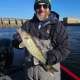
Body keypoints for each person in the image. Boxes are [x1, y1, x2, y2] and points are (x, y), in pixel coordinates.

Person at [13, 0, 70, 80]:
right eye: (38, 6)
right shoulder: (27, 25)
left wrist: (53, 56)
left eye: (45, 6)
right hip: (29, 73)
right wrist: (17, 41)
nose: (41, 9)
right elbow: (16, 43)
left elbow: (65, 48)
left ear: (49, 8)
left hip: (48, 76)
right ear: (35, 8)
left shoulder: (57, 26)